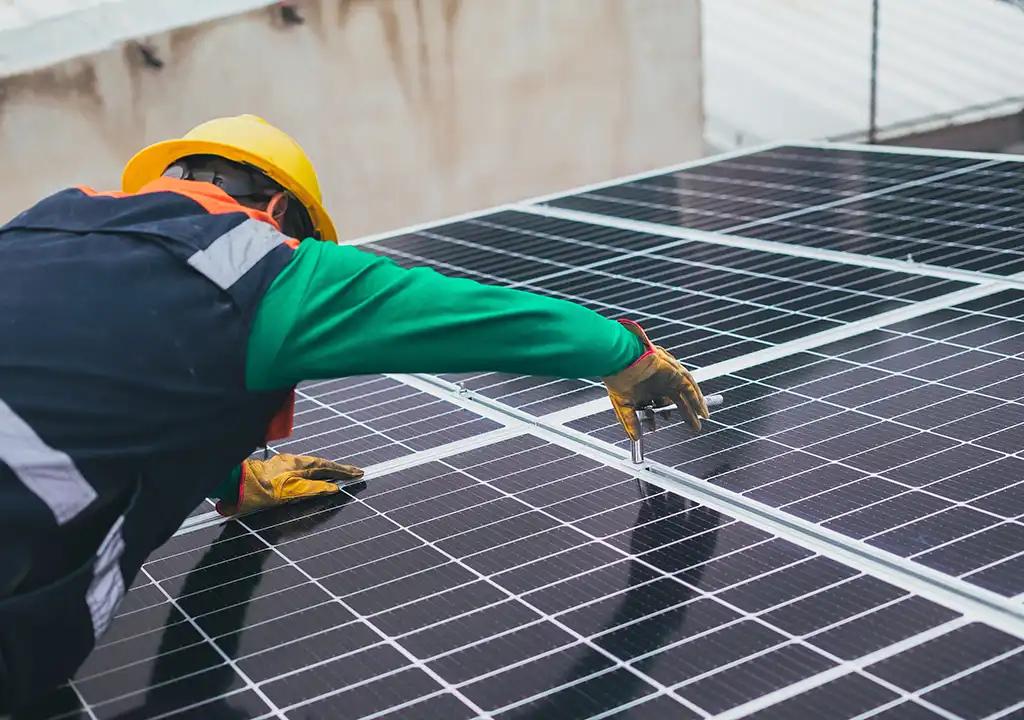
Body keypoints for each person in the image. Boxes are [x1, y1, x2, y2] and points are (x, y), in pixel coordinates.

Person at [0, 114, 708, 712]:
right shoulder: (265, 264)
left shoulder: (38, 226)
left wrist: (232, 480)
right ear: (282, 212)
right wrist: (628, 356)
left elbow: (106, 370)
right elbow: (475, 315)